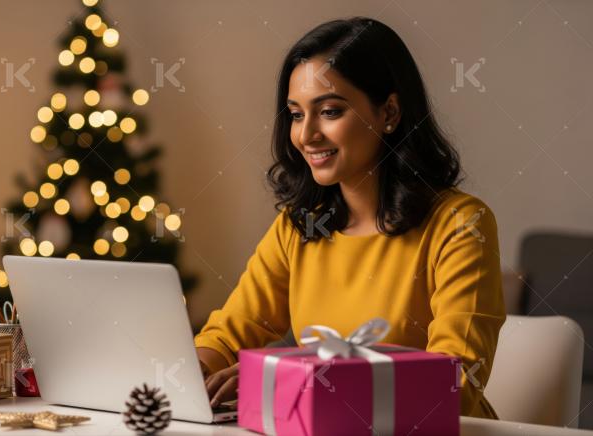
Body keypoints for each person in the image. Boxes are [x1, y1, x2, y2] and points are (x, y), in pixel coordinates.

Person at [194, 17, 506, 420]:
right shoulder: (300, 225)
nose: (307, 136)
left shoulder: (462, 225)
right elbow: (230, 331)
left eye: (328, 111)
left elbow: (454, 380)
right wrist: (192, 373)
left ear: (389, 112)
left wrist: (275, 381)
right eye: (295, 114)